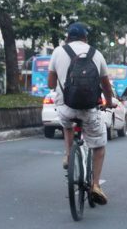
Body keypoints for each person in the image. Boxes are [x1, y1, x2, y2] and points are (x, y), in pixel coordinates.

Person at [48, 22, 116, 205]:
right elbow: (106, 86)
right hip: (89, 109)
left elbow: (50, 84)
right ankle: (95, 185)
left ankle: (69, 155)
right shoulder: (96, 54)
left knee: (67, 123)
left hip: (66, 108)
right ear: (86, 38)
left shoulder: (57, 52)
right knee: (99, 145)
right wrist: (108, 102)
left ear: (67, 37)